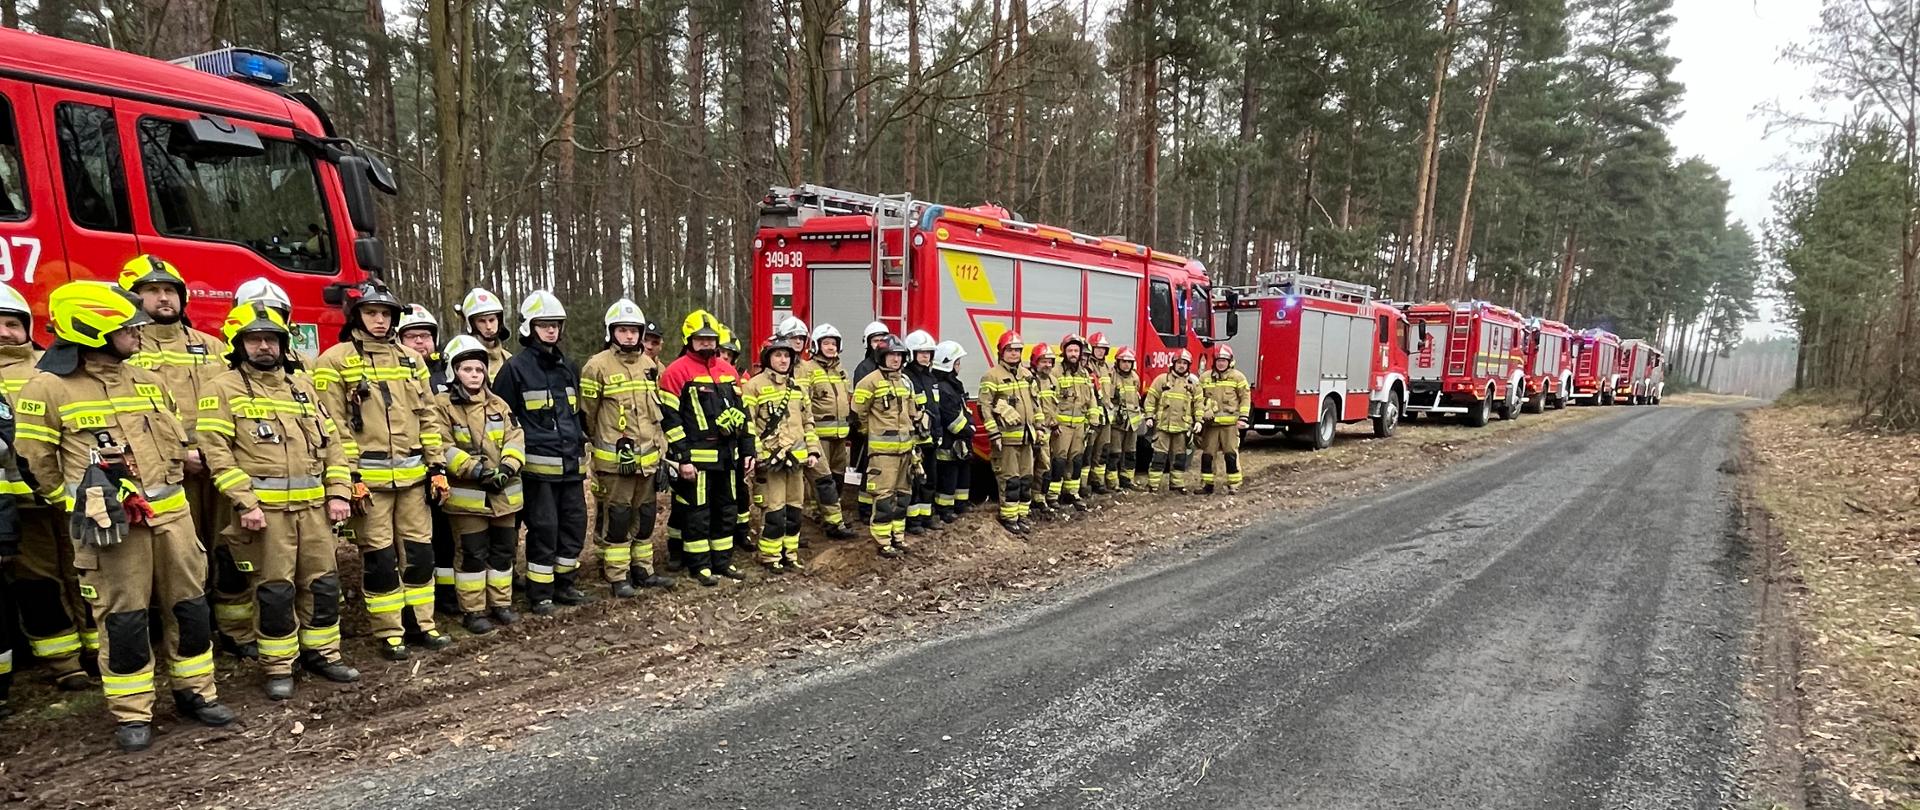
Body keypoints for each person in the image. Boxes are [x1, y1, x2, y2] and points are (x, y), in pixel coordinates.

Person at [16, 281, 234, 752]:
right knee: (125, 621)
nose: (138, 333)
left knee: (190, 609)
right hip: (112, 531)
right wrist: (80, 505)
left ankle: (197, 692)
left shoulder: (147, 380)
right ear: (93, 332)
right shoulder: (47, 388)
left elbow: (175, 442)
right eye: (127, 328)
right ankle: (133, 711)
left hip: (173, 519)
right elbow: (34, 461)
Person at [195, 303, 361, 699]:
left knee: (322, 585)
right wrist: (245, 503)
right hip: (266, 515)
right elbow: (216, 452)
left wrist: (339, 492)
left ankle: (323, 653)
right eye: (255, 339)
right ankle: (278, 665)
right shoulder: (222, 388)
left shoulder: (301, 387)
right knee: (274, 592)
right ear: (240, 345)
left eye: (271, 339)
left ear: (283, 345)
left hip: (315, 511)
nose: (264, 346)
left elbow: (334, 445)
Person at [312, 283, 453, 660]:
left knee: (420, 555)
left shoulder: (411, 359)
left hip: (413, 479)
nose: (380, 320)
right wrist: (349, 477)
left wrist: (437, 466)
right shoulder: (334, 361)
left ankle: (423, 623)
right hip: (369, 484)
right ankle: (390, 631)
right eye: (372, 313)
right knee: (380, 559)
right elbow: (333, 426)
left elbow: (428, 416)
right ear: (356, 316)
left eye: (386, 314)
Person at [120, 256, 248, 657]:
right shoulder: (125, 348)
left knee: (227, 546)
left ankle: (233, 629)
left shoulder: (213, 347)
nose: (163, 298)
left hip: (218, 465)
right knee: (178, 556)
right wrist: (180, 454)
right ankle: (179, 632)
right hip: (164, 473)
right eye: (152, 290)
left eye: (170, 290)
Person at [0, 281, 95, 693]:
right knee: (39, 583)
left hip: (72, 497)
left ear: (27, 327)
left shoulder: (54, 365)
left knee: (86, 573)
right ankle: (64, 662)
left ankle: (98, 650)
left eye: (12, 324)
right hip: (22, 508)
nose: (5, 333)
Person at [492, 291, 592, 615]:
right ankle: (540, 593)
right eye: (544, 324)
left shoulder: (568, 367)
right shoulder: (514, 369)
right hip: (537, 472)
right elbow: (503, 421)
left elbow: (576, 417)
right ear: (529, 328)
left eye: (556, 325)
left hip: (571, 467)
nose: (551, 330)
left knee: (574, 526)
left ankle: (565, 584)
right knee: (544, 529)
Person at [579, 298, 675, 597]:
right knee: (618, 518)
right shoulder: (596, 366)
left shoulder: (649, 366)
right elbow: (587, 415)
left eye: (634, 331)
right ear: (611, 332)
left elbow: (655, 414)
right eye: (623, 330)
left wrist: (661, 453)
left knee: (645, 516)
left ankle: (643, 570)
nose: (630, 336)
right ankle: (617, 575)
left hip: (648, 459)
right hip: (615, 464)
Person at [434, 335, 526, 634]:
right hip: (468, 498)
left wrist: (507, 467)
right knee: (472, 554)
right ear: (453, 371)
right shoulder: (442, 406)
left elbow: (515, 437)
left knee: (503, 551)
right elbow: (441, 445)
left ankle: (501, 604)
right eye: (467, 369)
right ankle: (473, 611)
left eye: (479, 369)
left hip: (504, 494)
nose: (475, 375)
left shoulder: (499, 403)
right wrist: (476, 470)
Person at [658, 311, 752, 586]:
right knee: (698, 513)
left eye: (711, 338)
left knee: (727, 510)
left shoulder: (728, 371)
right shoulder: (676, 372)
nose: (707, 343)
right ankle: (698, 565)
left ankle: (722, 561)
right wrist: (683, 458)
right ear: (689, 339)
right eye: (700, 339)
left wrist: (748, 450)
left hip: (728, 458)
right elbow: (670, 420)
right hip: (696, 461)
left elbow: (743, 413)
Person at [395, 302, 456, 612]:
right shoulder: (396, 374)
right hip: (409, 469)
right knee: (415, 542)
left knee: (446, 535)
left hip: (446, 468)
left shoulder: (448, 372)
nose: (420, 342)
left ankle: (446, 595)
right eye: (412, 336)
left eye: (426, 336)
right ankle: (414, 602)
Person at [742, 339, 821, 571]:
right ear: (768, 358)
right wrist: (757, 456)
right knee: (774, 511)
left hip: (796, 460)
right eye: (778, 355)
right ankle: (770, 556)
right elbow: (748, 425)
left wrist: (813, 450)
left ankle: (790, 554)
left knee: (794, 510)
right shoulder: (753, 386)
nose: (783, 360)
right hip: (771, 463)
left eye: (787, 355)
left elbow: (808, 422)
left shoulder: (797, 388)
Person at [852, 337, 918, 557]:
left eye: (899, 355)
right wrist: (872, 434)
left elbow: (912, 413)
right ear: (881, 357)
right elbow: (858, 415)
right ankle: (883, 541)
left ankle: (898, 536)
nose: (896, 359)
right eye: (891, 355)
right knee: (883, 498)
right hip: (882, 454)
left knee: (903, 496)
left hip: (906, 450)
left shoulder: (906, 382)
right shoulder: (869, 382)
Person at [796, 323, 855, 539]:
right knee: (823, 479)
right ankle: (829, 519)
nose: (831, 347)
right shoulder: (807, 369)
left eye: (834, 344)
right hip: (820, 435)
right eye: (826, 343)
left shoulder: (841, 370)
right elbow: (804, 403)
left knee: (838, 478)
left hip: (840, 435)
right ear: (816, 346)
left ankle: (827, 513)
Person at [978, 332, 1037, 534]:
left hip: (1027, 437)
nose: (1014, 354)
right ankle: (1009, 517)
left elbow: (1035, 404)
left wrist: (1039, 428)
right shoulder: (991, 376)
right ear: (1001, 352)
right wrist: (994, 434)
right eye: (1010, 350)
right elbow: (984, 407)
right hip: (1006, 440)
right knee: (1010, 480)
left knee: (1026, 479)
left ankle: (1022, 515)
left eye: (1017, 350)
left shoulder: (1027, 375)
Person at [849, 321, 891, 524]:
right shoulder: (864, 369)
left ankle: (879, 505)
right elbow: (861, 405)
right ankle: (865, 509)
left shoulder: (891, 366)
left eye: (882, 340)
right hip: (869, 430)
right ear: (868, 343)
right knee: (868, 470)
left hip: (886, 429)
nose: (879, 344)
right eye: (875, 340)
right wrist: (865, 428)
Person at [1144, 350, 1203, 493]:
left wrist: (1199, 421)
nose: (1181, 366)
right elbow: (1151, 399)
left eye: (1185, 363)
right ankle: (1153, 485)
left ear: (1188, 366)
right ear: (1174, 364)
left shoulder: (1193, 384)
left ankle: (1177, 485)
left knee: (1179, 458)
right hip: (1163, 426)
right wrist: (1149, 416)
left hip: (1182, 428)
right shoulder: (1162, 380)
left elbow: (1199, 403)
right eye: (1179, 363)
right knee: (1159, 456)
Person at [928, 341, 974, 523]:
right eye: (957, 362)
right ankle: (945, 509)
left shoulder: (952, 385)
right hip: (949, 442)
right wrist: (968, 429)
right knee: (948, 477)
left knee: (962, 474)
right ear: (949, 364)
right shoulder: (944, 388)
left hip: (958, 442)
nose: (959, 366)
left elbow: (963, 409)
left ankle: (960, 505)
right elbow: (952, 419)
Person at [1051, 335, 1096, 511]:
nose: (1073, 354)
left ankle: (1072, 492)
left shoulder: (1084, 373)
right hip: (1061, 427)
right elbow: (1048, 399)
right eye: (1070, 350)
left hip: (1080, 426)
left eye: (1076, 350)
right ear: (1064, 352)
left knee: (1076, 460)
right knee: (1059, 460)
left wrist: (1093, 418)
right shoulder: (1055, 372)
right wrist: (1053, 423)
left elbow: (1091, 398)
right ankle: (1053, 495)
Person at [1198, 345, 1251, 495]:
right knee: (1207, 455)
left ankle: (1234, 484)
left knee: (1231, 455)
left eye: (1224, 360)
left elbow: (1245, 398)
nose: (1221, 363)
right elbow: (1198, 398)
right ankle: (1207, 485)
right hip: (1211, 425)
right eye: (1219, 360)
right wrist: (1204, 410)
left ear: (1230, 361)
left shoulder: (1238, 377)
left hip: (1230, 425)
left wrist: (1243, 418)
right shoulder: (1205, 378)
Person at [901, 330, 938, 534]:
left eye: (929, 352)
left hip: (930, 439)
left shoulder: (931, 378)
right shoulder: (906, 378)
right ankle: (913, 521)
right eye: (921, 352)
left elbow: (936, 409)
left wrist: (938, 433)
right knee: (914, 481)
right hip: (915, 440)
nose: (925, 356)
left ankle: (926, 516)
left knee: (930, 480)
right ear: (911, 353)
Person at [1027, 343, 1060, 517]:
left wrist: (1055, 424)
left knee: (1044, 466)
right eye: (1043, 361)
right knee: (1028, 467)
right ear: (1035, 362)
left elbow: (1055, 406)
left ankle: (1038, 497)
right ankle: (1026, 500)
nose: (1047, 365)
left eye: (1050, 361)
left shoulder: (1053, 381)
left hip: (1048, 430)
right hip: (1032, 430)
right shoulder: (1028, 380)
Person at [1107, 347, 1145, 491]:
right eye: (1124, 361)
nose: (1126, 365)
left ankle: (1127, 479)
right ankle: (1112, 482)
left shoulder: (1135, 377)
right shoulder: (1111, 376)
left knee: (1130, 452)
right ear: (1118, 362)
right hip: (1117, 422)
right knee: (1114, 452)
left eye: (1129, 362)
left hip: (1132, 422)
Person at [455, 288, 512, 380]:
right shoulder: (461, 359)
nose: (488, 326)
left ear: (499, 321)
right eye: (482, 321)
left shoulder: (508, 358)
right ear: (472, 324)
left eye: (492, 320)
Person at [1084, 333, 1114, 497]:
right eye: (1097, 348)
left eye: (1103, 349)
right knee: (1088, 450)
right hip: (1093, 416)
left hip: (1106, 416)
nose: (1101, 352)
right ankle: (1084, 485)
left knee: (1102, 450)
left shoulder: (1106, 368)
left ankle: (1098, 482)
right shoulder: (1087, 367)